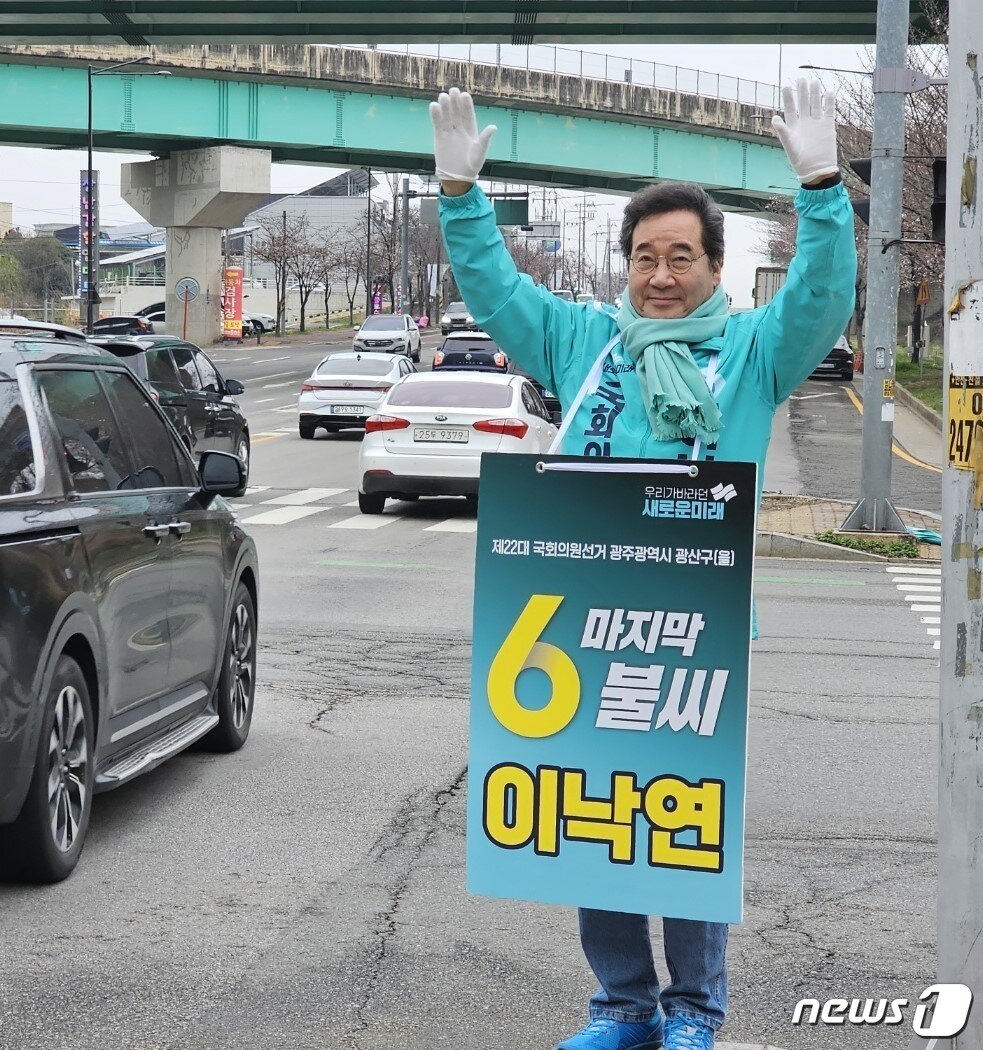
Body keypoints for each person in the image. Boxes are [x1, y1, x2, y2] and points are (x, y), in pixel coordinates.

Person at [431, 78, 856, 1050]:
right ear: (624, 264)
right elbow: (499, 294)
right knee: (596, 818)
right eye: (642, 257)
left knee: (681, 821)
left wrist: (821, 188)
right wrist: (460, 201)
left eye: (680, 257)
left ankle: (692, 1011)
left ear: (713, 264)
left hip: (689, 627)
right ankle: (620, 1004)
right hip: (578, 618)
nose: (659, 275)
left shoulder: (752, 352)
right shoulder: (586, 341)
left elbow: (821, 297)